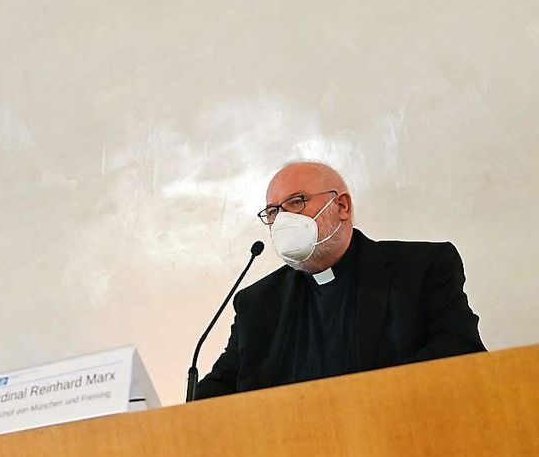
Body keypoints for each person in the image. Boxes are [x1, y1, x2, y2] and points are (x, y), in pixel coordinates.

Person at [194, 161, 486, 400]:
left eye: (296, 202)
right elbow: (215, 392)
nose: (282, 220)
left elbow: (460, 354)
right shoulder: (258, 302)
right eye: (272, 212)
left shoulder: (420, 267)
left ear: (342, 206)